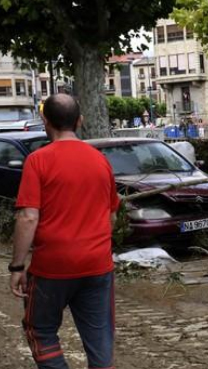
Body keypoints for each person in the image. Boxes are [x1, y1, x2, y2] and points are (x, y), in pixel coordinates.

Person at [8, 94, 119, 369]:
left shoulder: (38, 160)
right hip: (97, 265)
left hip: (52, 268)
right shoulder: (100, 160)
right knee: (100, 339)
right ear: (80, 121)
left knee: (40, 331)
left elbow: (28, 217)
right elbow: (111, 214)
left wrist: (17, 266)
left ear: (45, 122)